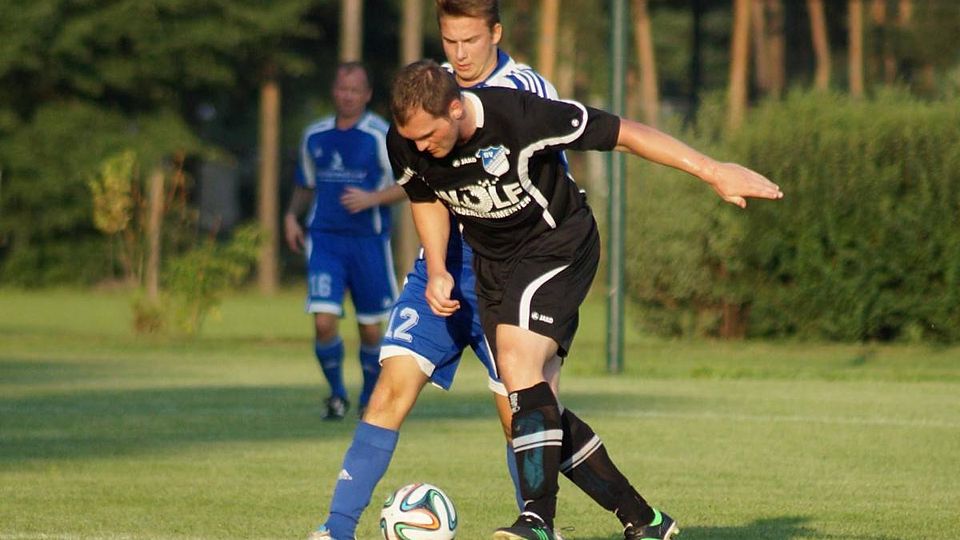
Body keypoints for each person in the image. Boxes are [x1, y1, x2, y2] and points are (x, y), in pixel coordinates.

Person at [388, 60, 784, 540]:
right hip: (494, 268)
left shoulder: (520, 117)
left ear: (455, 109)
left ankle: (537, 521)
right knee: (536, 407)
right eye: (411, 139)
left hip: (558, 246)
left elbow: (624, 134)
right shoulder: (406, 141)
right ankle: (645, 520)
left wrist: (713, 171)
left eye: (427, 136)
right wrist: (437, 269)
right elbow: (425, 197)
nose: (419, 147)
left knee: (516, 362)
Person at [309, 3, 662, 540]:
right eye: (449, 41)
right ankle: (336, 528)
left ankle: (548, 523)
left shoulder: (523, 93)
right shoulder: (427, 98)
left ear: (494, 33)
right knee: (390, 390)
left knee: (524, 415)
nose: (460, 54)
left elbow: (548, 183)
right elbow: (422, 191)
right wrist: (435, 268)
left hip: (512, 270)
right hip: (442, 270)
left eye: (470, 40)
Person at [284, 62, 404, 420]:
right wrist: (291, 216)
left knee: (370, 328)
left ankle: (368, 398)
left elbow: (409, 183)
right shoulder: (315, 135)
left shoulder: (381, 135)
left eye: (354, 90)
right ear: (333, 91)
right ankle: (336, 395)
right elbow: (305, 183)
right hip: (325, 240)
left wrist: (372, 199)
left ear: (367, 95)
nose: (347, 96)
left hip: (369, 242)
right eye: (342, 89)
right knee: (323, 320)